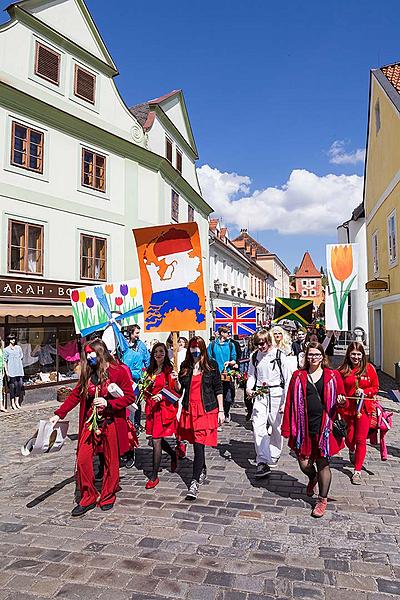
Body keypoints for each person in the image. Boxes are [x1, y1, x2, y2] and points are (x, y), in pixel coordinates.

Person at [49, 339, 135, 516]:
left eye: (91, 353)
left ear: (101, 353)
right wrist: (59, 413)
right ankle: (88, 495)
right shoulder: (87, 372)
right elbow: (75, 395)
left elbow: (129, 398)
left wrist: (108, 402)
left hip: (110, 422)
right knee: (82, 459)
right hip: (90, 423)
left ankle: (108, 495)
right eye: (86, 354)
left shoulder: (118, 371)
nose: (88, 357)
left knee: (111, 462)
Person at [282, 342, 346, 518]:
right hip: (302, 426)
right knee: (304, 464)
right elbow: (289, 402)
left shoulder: (333, 376)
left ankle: (322, 500)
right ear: (305, 356)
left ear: (323, 356)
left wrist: (342, 402)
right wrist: (286, 427)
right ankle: (312, 478)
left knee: (323, 462)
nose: (313, 358)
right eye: (310, 355)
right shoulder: (298, 375)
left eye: (317, 354)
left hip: (325, 427)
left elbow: (343, 402)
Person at [175, 336, 224, 500]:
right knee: (195, 444)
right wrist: (176, 381)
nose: (194, 351)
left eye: (197, 347)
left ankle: (194, 482)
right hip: (190, 409)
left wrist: (221, 411)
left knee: (198, 446)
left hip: (206, 410)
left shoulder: (211, 366)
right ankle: (202, 467)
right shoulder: (185, 366)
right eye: (192, 348)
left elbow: (218, 388)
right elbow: (180, 390)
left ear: (202, 348)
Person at [246, 330, 291, 478]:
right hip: (260, 394)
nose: (260, 347)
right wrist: (249, 388)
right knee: (257, 425)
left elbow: (288, 379)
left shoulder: (279, 356)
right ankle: (262, 460)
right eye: (257, 344)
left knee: (276, 426)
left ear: (268, 341)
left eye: (262, 343)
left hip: (276, 393)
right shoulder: (254, 356)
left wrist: (285, 401)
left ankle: (274, 452)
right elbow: (252, 375)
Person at [338, 342, 379, 485]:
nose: (356, 357)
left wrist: (365, 392)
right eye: (353, 354)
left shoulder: (369, 369)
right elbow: (338, 388)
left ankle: (357, 471)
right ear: (348, 354)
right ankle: (351, 450)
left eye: (358, 354)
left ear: (362, 355)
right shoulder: (343, 370)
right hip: (347, 409)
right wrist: (341, 396)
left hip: (364, 410)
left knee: (361, 439)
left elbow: (375, 388)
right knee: (349, 438)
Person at [144, 342, 179, 489]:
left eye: (161, 352)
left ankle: (154, 476)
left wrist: (175, 383)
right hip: (152, 409)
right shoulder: (149, 370)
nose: (158, 354)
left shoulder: (169, 370)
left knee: (156, 440)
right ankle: (173, 454)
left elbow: (176, 392)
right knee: (156, 437)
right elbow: (145, 388)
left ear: (165, 354)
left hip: (162, 409)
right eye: (156, 352)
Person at [207, 326, 237, 422]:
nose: (229, 334)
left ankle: (226, 412)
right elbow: (208, 357)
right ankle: (217, 415)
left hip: (226, 374)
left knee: (228, 398)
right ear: (221, 333)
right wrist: (213, 363)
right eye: (227, 332)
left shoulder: (231, 345)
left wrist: (229, 362)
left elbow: (234, 359)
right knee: (216, 395)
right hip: (215, 374)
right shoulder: (212, 344)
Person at [128, 325, 150, 433]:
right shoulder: (124, 345)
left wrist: (148, 373)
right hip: (126, 377)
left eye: (138, 333)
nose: (138, 335)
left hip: (138, 377)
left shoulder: (141, 345)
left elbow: (147, 359)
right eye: (136, 333)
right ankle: (128, 422)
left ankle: (136, 423)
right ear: (130, 333)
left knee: (137, 400)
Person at [4, 334, 24, 410]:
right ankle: (12, 403)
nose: (13, 340)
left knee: (20, 384)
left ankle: (17, 401)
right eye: (12, 339)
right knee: (13, 386)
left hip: (19, 369)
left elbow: (21, 357)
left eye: (14, 339)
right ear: (9, 340)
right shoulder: (6, 350)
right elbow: (5, 361)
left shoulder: (18, 348)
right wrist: (7, 371)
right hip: (11, 370)